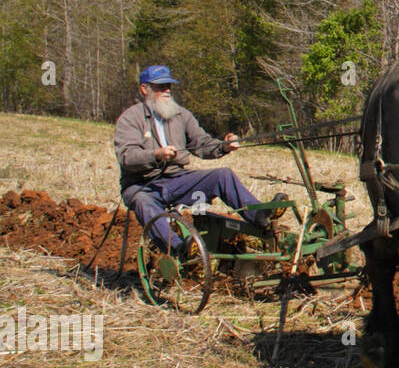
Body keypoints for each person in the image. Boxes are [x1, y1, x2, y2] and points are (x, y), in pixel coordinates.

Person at [114, 65, 283, 252]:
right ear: (145, 89)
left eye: (169, 86)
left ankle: (260, 215)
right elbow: (126, 156)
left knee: (223, 175)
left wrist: (223, 146)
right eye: (160, 87)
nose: (167, 91)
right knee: (143, 202)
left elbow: (201, 143)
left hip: (176, 179)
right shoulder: (130, 118)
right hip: (142, 185)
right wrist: (156, 154)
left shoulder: (181, 115)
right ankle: (180, 250)